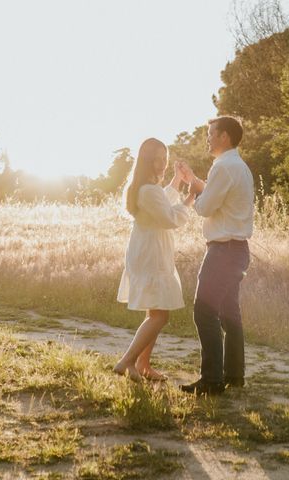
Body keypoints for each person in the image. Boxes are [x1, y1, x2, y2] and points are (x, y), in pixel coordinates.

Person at [178, 116, 254, 395]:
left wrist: (196, 192)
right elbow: (218, 198)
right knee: (229, 314)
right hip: (239, 250)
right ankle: (234, 375)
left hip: (223, 251)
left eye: (211, 133)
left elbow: (206, 207)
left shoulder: (223, 167)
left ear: (224, 136)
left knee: (204, 311)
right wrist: (197, 181)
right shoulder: (240, 167)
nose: (207, 138)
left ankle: (211, 380)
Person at [114, 138, 195, 382]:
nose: (161, 164)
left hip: (150, 251)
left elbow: (163, 199)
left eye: (164, 159)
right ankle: (127, 361)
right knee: (160, 315)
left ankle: (143, 364)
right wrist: (191, 197)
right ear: (146, 161)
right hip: (151, 255)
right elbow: (170, 217)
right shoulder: (147, 190)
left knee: (155, 311)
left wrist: (177, 180)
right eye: (157, 159)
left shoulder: (148, 188)